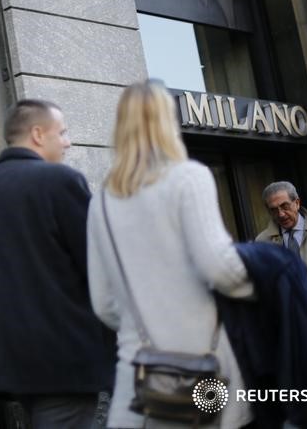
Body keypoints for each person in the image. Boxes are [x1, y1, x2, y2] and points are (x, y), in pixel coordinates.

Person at [86, 80, 254, 428]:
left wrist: (144, 322)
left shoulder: (102, 200)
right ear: (167, 122)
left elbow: (103, 303)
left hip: (139, 374)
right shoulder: (189, 178)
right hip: (202, 365)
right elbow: (220, 269)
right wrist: (260, 286)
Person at [0, 99, 116, 428]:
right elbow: (100, 268)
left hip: (6, 368)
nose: (68, 141)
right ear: (38, 134)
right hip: (67, 363)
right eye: (62, 132)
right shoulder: (61, 182)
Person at [255, 181, 307, 333]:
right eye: (274, 210)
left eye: (285, 206)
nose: (280, 214)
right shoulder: (262, 243)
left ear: (297, 203)